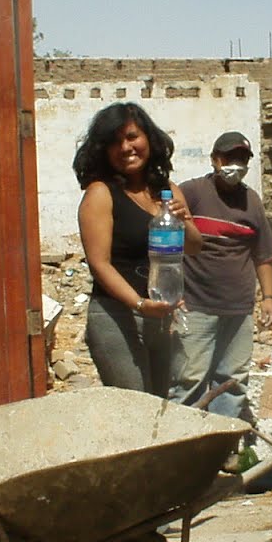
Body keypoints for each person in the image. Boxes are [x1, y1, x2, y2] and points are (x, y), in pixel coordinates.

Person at [74, 102, 202, 397]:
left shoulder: (166, 190)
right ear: (104, 151)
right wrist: (140, 304)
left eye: (132, 137)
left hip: (160, 315)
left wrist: (185, 222)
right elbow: (100, 264)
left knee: (159, 405)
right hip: (117, 317)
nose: (126, 147)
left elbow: (194, 247)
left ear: (149, 139)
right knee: (134, 408)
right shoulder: (100, 194)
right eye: (115, 142)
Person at [169, 131, 272, 422]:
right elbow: (168, 242)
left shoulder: (251, 202)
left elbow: (263, 254)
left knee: (232, 381)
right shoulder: (192, 193)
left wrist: (268, 298)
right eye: (229, 158)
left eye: (242, 159)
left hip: (239, 309)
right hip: (195, 305)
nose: (236, 164)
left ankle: (221, 449)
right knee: (188, 379)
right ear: (215, 159)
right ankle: (182, 445)